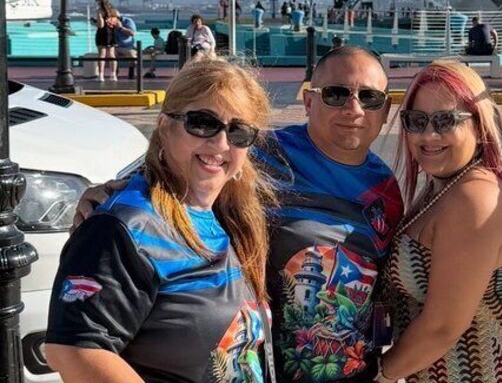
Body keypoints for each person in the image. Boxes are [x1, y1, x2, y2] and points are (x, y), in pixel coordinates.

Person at [74, 46, 405, 382]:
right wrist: (109, 195)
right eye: (336, 94)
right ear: (308, 101)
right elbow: (171, 168)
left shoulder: (386, 188)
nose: (354, 108)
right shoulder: (258, 151)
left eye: (370, 98)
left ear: (385, 109)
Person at [46, 59, 274, 382]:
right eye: (202, 123)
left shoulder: (228, 215)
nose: (221, 143)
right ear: (165, 125)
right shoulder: (127, 226)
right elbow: (73, 351)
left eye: (238, 132)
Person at [375, 60, 502, 383]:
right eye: (416, 121)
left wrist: (379, 373)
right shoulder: (444, 186)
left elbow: (442, 328)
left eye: (446, 120)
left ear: (479, 124)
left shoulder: (473, 199)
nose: (428, 135)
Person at [92, 0, 118, 82]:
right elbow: (116, 22)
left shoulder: (100, 11)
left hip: (102, 34)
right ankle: (113, 75)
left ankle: (101, 75)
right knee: (112, 55)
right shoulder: (113, 10)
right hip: (112, 33)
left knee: (101, 55)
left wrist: (94, 22)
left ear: (99, 1)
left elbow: (101, 25)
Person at [113, 10, 138, 79]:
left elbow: (132, 33)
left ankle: (131, 73)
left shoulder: (128, 21)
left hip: (129, 46)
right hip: (117, 46)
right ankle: (115, 73)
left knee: (132, 56)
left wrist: (121, 28)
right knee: (111, 55)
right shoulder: (112, 23)